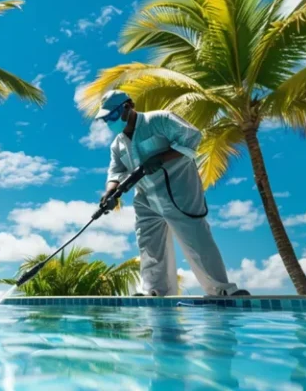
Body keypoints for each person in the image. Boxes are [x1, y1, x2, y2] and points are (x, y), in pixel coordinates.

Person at [96, 90, 250, 297]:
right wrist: (110, 193)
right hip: (146, 199)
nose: (110, 122)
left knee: (197, 242)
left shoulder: (159, 119)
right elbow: (116, 171)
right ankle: (155, 292)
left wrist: (161, 157)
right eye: (106, 119)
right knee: (149, 245)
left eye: (112, 116)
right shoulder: (118, 144)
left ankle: (222, 291)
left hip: (180, 191)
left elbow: (193, 138)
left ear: (128, 106)